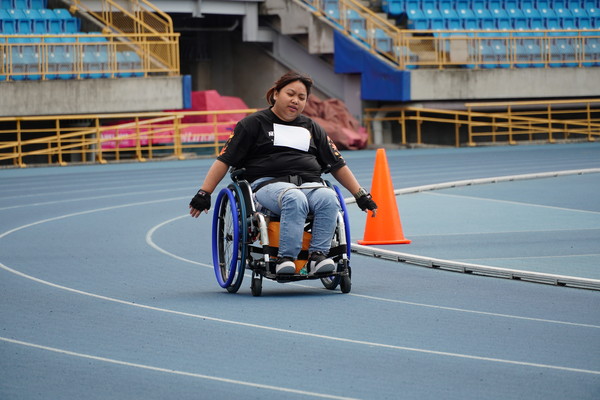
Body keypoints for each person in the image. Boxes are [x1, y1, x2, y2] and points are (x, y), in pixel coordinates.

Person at [189, 71, 377, 276]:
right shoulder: (252, 124)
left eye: (302, 97)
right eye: (291, 94)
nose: (295, 100)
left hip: (309, 185)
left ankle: (318, 256)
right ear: (276, 94)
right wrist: (204, 192)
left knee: (329, 198)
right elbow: (225, 159)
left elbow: (337, 164)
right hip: (268, 185)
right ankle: (286, 258)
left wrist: (360, 195)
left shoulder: (312, 127)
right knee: (294, 198)